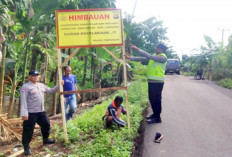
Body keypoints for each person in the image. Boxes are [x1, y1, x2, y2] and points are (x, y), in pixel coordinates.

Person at [125, 43, 168, 124]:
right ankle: (154, 114)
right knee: (152, 99)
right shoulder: (155, 55)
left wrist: (137, 49)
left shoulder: (163, 57)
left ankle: (157, 118)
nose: (155, 49)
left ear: (161, 49)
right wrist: (130, 58)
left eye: (157, 48)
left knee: (156, 100)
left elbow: (149, 56)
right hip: (152, 81)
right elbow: (143, 58)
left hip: (157, 83)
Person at [20, 70, 60, 155]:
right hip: (31, 112)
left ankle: (46, 139)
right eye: (33, 76)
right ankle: (26, 146)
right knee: (28, 129)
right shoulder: (25, 87)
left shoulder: (41, 85)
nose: (35, 77)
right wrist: (24, 113)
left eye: (37, 75)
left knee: (46, 124)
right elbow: (23, 100)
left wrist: (59, 85)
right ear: (29, 77)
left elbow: (50, 91)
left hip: (41, 111)